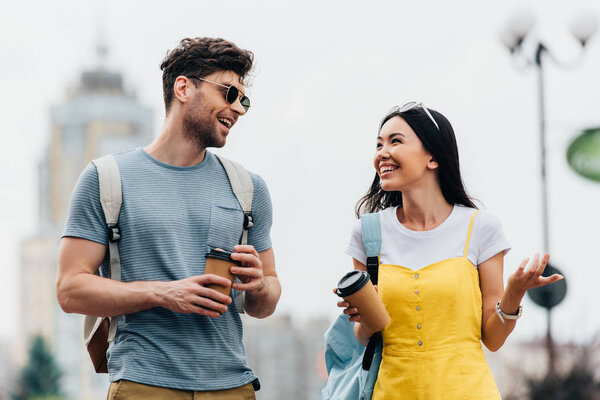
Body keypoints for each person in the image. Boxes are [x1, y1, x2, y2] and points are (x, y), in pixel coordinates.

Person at [56, 37, 281, 399]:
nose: (238, 108)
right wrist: (164, 293)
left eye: (244, 100)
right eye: (228, 93)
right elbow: (69, 290)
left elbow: (267, 302)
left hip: (233, 387)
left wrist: (258, 286)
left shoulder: (249, 188)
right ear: (183, 88)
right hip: (144, 386)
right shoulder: (106, 179)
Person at [336, 102, 563, 399]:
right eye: (379, 143)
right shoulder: (367, 234)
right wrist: (364, 316)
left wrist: (515, 291)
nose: (382, 153)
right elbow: (364, 338)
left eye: (395, 141)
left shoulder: (480, 228)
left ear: (432, 157)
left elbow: (492, 339)